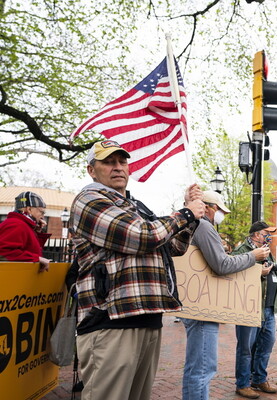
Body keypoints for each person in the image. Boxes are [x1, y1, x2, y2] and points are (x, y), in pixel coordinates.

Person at [70, 139, 205, 400]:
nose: (118, 167)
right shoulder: (89, 200)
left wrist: (190, 219)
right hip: (110, 322)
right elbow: (142, 237)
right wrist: (185, 214)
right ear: (91, 170)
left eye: (122, 161)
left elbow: (173, 247)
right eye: (108, 162)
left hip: (146, 317)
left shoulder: (135, 207)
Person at [181, 190, 271, 400]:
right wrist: (252, 256)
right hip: (204, 308)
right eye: (221, 210)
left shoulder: (196, 226)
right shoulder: (204, 226)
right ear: (210, 208)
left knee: (195, 367)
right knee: (203, 368)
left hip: (198, 303)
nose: (222, 215)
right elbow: (221, 264)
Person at [232, 221, 277, 399]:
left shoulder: (266, 250)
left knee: (266, 345)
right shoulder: (241, 251)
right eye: (265, 233)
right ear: (255, 234)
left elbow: (271, 273)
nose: (268, 237)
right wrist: (258, 273)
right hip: (249, 307)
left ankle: (259, 379)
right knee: (246, 348)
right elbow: (232, 272)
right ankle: (243, 384)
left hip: (268, 308)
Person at [0, 191, 50, 271]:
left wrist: (37, 231)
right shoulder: (16, 224)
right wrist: (37, 258)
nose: (43, 216)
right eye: (42, 212)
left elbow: (30, 248)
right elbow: (3, 251)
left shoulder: (22, 224)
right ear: (29, 209)